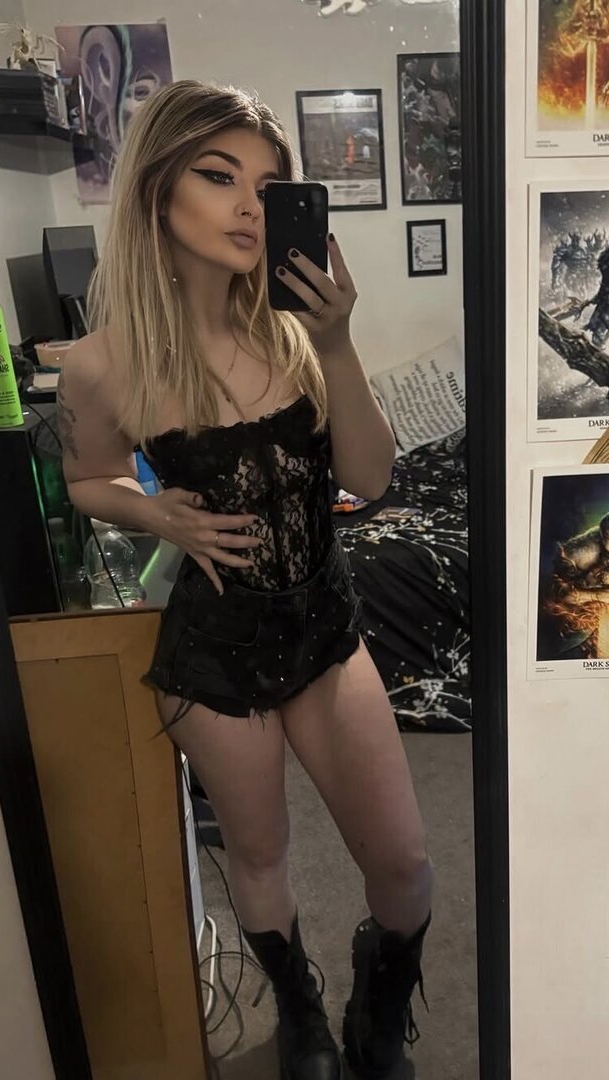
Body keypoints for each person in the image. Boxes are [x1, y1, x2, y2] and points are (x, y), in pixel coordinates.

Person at [58, 79, 433, 1080]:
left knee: (403, 863)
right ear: (156, 194)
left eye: (268, 188)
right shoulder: (101, 365)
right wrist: (156, 512)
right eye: (218, 177)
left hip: (323, 627)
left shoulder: (297, 333)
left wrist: (337, 342)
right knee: (260, 856)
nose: (249, 209)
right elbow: (88, 478)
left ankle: (379, 998)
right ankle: (303, 1016)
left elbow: (369, 480)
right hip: (214, 651)